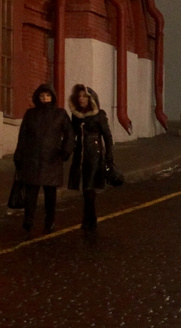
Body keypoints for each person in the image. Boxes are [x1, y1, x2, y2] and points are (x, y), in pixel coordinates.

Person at [13, 83, 73, 234]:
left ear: (52, 97)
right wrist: (19, 155)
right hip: (32, 159)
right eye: (41, 96)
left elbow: (69, 134)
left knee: (50, 195)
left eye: (47, 95)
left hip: (52, 159)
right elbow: (23, 136)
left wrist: (65, 151)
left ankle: (50, 221)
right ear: (37, 97)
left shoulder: (60, 114)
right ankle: (28, 221)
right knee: (31, 193)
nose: (44, 98)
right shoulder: (31, 114)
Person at [68, 84, 115, 232]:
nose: (81, 99)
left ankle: (90, 219)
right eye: (79, 96)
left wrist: (109, 156)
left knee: (89, 187)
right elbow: (72, 135)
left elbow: (107, 136)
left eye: (84, 96)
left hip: (94, 155)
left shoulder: (98, 115)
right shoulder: (75, 116)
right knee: (85, 188)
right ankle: (89, 218)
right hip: (80, 155)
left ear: (90, 98)